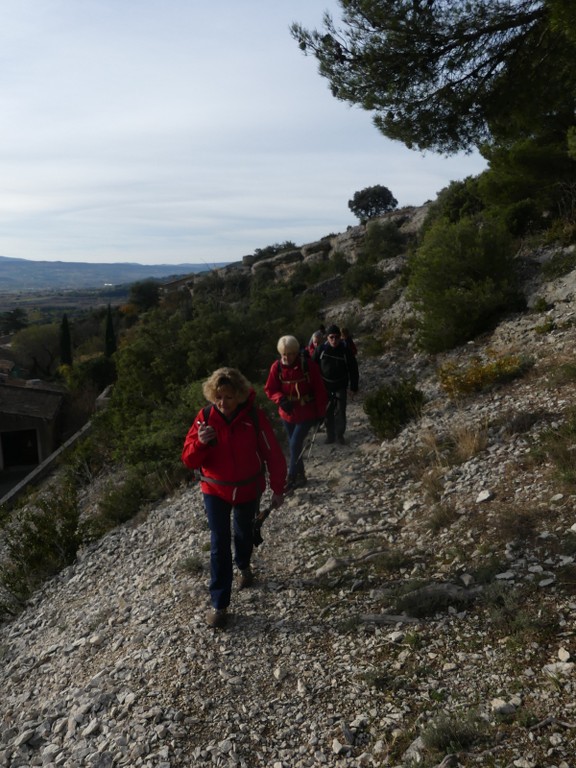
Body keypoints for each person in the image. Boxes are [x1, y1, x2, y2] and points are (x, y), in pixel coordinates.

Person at [181, 367, 286, 629]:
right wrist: (201, 443)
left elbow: (271, 452)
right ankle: (220, 605)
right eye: (218, 396)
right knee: (218, 543)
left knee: (243, 533)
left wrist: (278, 488)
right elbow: (188, 459)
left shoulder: (254, 416)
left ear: (238, 395)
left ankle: (244, 565)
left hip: (249, 488)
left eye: (228, 397)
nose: (222, 403)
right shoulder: (204, 418)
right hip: (215, 490)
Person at [265, 335, 328, 494]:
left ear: (296, 352)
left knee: (294, 444)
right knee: (295, 445)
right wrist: (280, 399)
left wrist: (321, 413)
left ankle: (291, 477)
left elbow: (320, 390)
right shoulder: (277, 367)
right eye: (284, 354)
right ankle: (301, 475)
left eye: (290, 354)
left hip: (306, 412)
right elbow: (270, 389)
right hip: (287, 414)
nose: (287, 357)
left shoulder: (308, 366)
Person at [313, 324, 359, 445]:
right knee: (327, 411)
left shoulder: (345, 350)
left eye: (337, 337)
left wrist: (354, 387)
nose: (334, 340)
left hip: (340, 385)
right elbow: (312, 367)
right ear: (327, 337)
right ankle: (330, 435)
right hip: (325, 386)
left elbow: (353, 368)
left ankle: (339, 435)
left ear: (340, 337)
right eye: (331, 337)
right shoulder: (321, 350)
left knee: (340, 410)